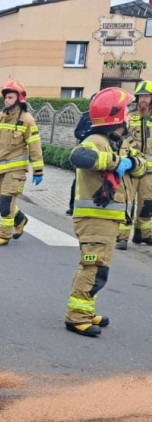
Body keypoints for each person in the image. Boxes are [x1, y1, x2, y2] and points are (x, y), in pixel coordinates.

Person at [65, 87, 145, 338]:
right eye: (126, 112)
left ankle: (86, 311)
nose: (129, 117)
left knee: (97, 266)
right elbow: (79, 156)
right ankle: (77, 317)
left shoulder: (118, 142)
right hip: (95, 220)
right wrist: (114, 163)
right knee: (94, 268)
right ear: (116, 118)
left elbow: (140, 165)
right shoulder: (96, 142)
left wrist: (131, 163)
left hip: (108, 220)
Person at [0, 80, 44, 247]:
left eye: (10, 97)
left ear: (19, 98)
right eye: (5, 97)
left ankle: (3, 236)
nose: (7, 100)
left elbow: (35, 145)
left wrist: (38, 170)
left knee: (5, 204)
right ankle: (20, 219)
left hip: (16, 170)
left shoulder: (27, 120)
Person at [126, 81, 152, 246]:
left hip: (149, 171)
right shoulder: (128, 116)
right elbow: (122, 137)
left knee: (147, 203)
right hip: (131, 167)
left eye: (147, 96)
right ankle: (121, 237)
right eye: (141, 96)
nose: (143, 99)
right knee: (127, 202)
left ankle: (143, 234)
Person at [68, 95, 96, 216]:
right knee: (78, 181)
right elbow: (77, 132)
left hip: (97, 155)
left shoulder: (106, 118)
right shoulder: (86, 116)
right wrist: (86, 135)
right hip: (83, 152)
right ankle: (72, 207)